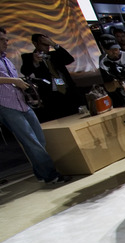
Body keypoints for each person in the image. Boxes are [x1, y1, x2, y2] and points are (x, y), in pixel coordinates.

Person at [0, 27, 71, 184]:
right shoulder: (27, 57)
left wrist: (23, 89)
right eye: (2, 39)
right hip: (7, 106)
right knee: (31, 141)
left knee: (39, 139)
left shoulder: (5, 59)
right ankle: (51, 175)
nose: (6, 42)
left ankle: (41, 173)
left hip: (23, 103)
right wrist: (14, 81)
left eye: (6, 39)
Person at [20, 33, 80, 122]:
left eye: (48, 44)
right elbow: (25, 71)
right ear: (35, 44)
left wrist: (54, 44)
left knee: (75, 116)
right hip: (51, 94)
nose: (47, 47)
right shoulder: (29, 57)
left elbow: (69, 60)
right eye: (44, 44)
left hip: (67, 90)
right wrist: (35, 63)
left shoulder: (55, 54)